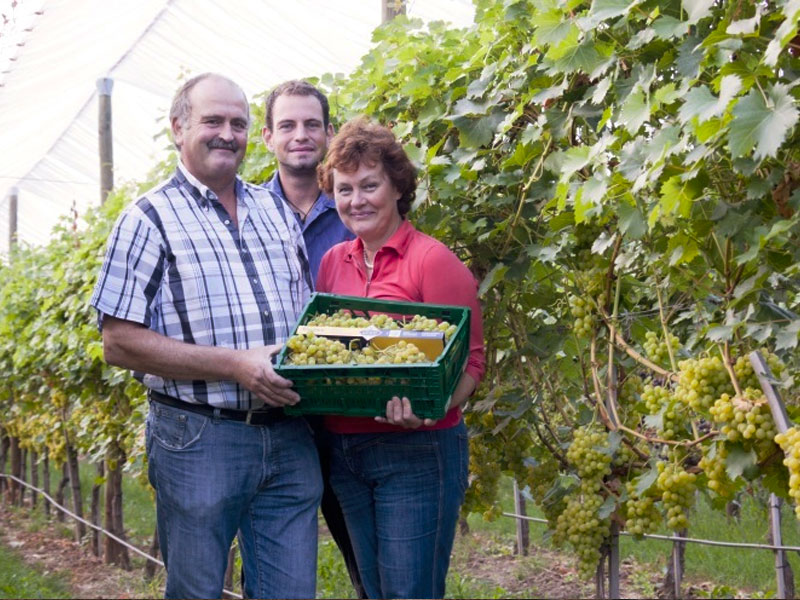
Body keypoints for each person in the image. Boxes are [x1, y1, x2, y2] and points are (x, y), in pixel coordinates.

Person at [90, 73, 321, 600]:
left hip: (288, 434)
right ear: (178, 128)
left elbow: (304, 315)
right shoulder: (147, 219)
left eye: (238, 123)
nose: (227, 133)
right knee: (196, 591)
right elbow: (118, 341)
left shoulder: (276, 212)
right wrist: (234, 364)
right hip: (198, 437)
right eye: (212, 121)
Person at [315, 117, 486, 599]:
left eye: (369, 185)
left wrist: (430, 406)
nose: (356, 200)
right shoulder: (332, 262)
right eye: (344, 189)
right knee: (373, 590)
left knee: (409, 592)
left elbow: (472, 363)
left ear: (397, 188)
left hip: (416, 453)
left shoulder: (432, 261)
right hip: (345, 454)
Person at [260, 80, 364, 598]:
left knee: (367, 556)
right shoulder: (247, 213)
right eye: (287, 126)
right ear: (268, 137)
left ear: (327, 132)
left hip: (350, 408)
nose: (300, 135)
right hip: (274, 413)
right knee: (269, 562)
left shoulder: (357, 203)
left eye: (311, 125)